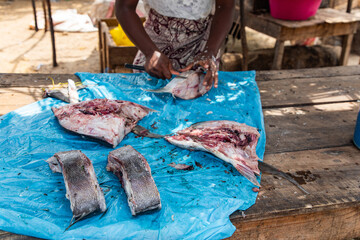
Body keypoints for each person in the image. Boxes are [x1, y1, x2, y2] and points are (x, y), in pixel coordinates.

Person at [115, 0, 235, 90]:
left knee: (199, 98)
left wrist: (210, 51)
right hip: (154, 41)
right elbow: (124, 7)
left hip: (204, 43)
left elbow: (226, 6)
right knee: (147, 101)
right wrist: (150, 52)